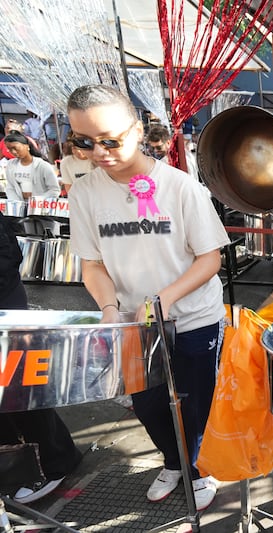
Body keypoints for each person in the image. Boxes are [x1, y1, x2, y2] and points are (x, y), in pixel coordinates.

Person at [66, 84, 230, 511]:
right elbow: (93, 265)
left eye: (110, 140)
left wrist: (165, 297)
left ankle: (200, 468)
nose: (99, 152)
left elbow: (209, 259)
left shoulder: (179, 187)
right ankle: (174, 461)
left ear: (138, 132)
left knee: (196, 399)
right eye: (84, 142)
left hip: (193, 315)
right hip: (135, 321)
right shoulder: (84, 193)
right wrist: (107, 309)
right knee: (148, 402)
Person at [0, 212, 82, 503]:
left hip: (4, 303)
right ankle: (12, 463)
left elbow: (7, 252)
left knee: (21, 388)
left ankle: (54, 461)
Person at [3, 132, 60, 200]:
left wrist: (37, 200)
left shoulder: (42, 165)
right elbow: (10, 187)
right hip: (20, 205)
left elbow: (54, 190)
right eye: (9, 149)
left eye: (15, 148)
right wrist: (16, 201)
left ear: (27, 146)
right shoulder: (10, 165)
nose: (13, 152)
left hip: (40, 206)